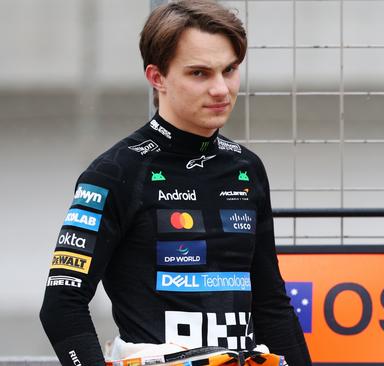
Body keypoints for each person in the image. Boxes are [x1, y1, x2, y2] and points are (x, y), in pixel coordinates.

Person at [39, 1, 311, 365]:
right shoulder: (113, 173)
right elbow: (61, 305)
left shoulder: (246, 168)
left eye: (229, 70)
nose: (221, 89)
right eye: (199, 73)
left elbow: (270, 302)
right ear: (157, 77)